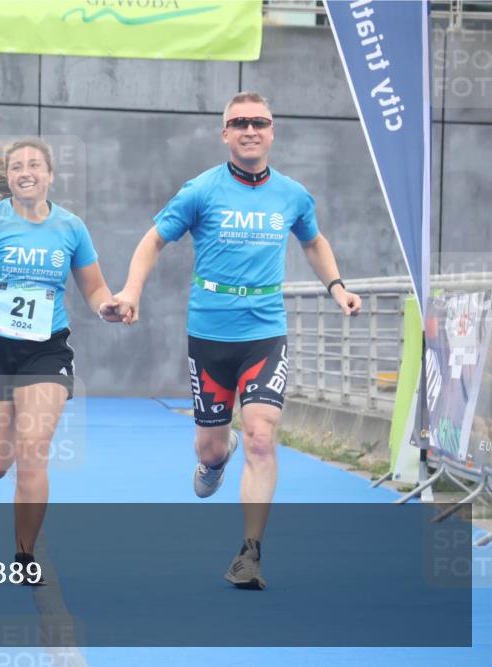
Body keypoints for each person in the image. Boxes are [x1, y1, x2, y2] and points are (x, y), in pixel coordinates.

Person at [111, 92, 363, 590]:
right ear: (225, 134)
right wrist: (131, 290)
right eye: (239, 123)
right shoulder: (200, 190)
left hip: (264, 332)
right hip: (209, 334)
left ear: (272, 131)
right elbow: (153, 239)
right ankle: (215, 455)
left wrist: (337, 286)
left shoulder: (292, 194)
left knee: (263, 436)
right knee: (209, 449)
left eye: (259, 122)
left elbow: (313, 240)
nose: (250, 130)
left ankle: (250, 553)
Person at [0, 138, 124, 584]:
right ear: (9, 177)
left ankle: (24, 556)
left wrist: (107, 305)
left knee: (33, 451)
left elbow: (94, 286)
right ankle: (11, 419)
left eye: (35, 164)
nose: (26, 171)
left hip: (44, 348)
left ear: (50, 175)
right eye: (17, 166)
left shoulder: (71, 228)